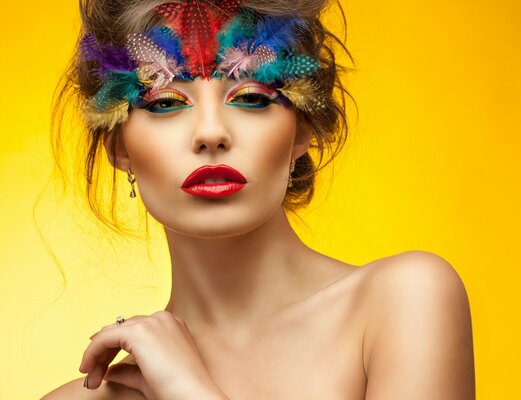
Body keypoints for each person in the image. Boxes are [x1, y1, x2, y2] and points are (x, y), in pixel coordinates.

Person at [43, 0, 475, 398]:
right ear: (118, 147)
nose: (211, 133)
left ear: (302, 131)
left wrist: (188, 389)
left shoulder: (403, 302)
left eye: (250, 97)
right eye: (166, 102)